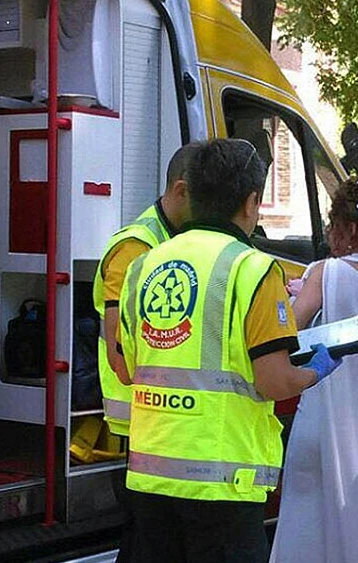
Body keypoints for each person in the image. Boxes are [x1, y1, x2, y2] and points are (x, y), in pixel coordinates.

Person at [118, 138, 342, 563]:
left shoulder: (143, 266)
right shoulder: (253, 269)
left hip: (150, 477)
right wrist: (319, 367)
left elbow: (128, 366)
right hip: (223, 482)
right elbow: (275, 382)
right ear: (251, 201)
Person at [271, 178, 358, 563]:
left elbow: (288, 333)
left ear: (349, 229)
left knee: (307, 528)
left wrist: (286, 300)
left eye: (333, 225)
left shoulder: (325, 271)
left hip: (323, 417)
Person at [91, 142, 199, 563]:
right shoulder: (136, 246)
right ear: (181, 190)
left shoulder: (170, 240)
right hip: (136, 421)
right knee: (146, 540)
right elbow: (121, 349)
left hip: (155, 419)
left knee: (146, 542)